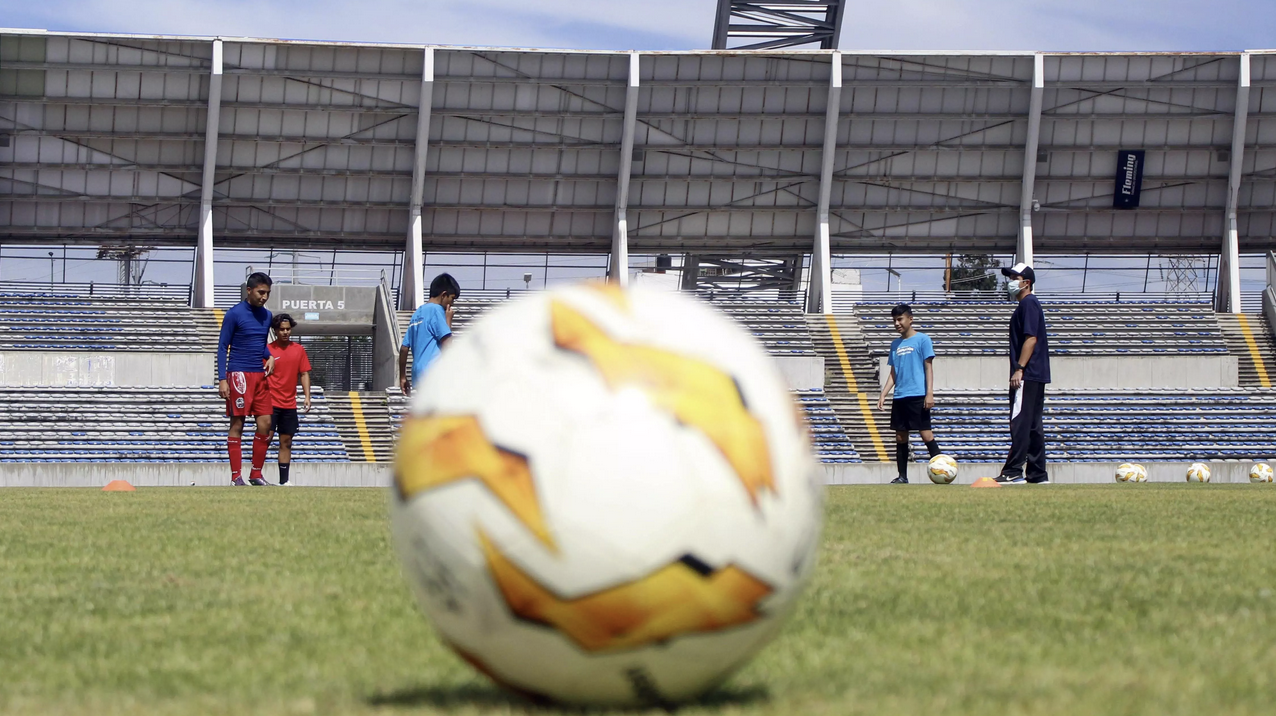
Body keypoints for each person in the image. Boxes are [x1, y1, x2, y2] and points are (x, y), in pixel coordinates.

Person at [218, 272, 276, 486]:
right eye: (261, 292)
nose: (264, 297)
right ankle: (235, 477)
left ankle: (256, 474)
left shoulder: (267, 316)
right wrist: (222, 378)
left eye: (268, 293)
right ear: (249, 290)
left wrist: (269, 356)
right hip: (239, 375)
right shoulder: (234, 314)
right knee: (238, 424)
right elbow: (223, 346)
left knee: (266, 423)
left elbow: (260, 343)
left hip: (259, 375)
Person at [995, 262, 1051, 485]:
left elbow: (1031, 338)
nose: (1010, 281)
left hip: (1027, 373)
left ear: (1026, 282)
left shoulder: (1027, 304)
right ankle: (1037, 474)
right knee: (1033, 424)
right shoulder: (1029, 304)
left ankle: (1013, 471)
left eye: (1014, 277)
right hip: (1037, 373)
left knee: (1019, 421)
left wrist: (1019, 368)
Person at [876, 304, 942, 484]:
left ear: (910, 319)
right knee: (900, 435)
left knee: (926, 434)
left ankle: (943, 468)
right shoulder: (895, 344)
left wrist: (929, 393)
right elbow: (893, 373)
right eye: (894, 320)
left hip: (918, 394)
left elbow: (929, 368)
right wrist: (884, 394)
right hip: (900, 396)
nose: (897, 323)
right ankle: (902, 476)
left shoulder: (923, 340)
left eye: (900, 319)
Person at [266, 313, 312, 486]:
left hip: (289, 404)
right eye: (281, 329)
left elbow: (304, 373)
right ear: (276, 330)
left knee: (286, 442)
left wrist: (307, 396)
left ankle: (284, 481)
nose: (285, 332)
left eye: (288, 329)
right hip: (270, 403)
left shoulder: (299, 350)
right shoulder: (268, 350)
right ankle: (255, 475)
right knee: (265, 439)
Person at [399, 273, 459, 396]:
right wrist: (448, 320)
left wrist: (403, 377)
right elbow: (448, 346)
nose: (452, 304)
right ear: (444, 295)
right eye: (452, 299)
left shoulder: (417, 314)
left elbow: (404, 348)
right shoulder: (437, 311)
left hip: (418, 375)